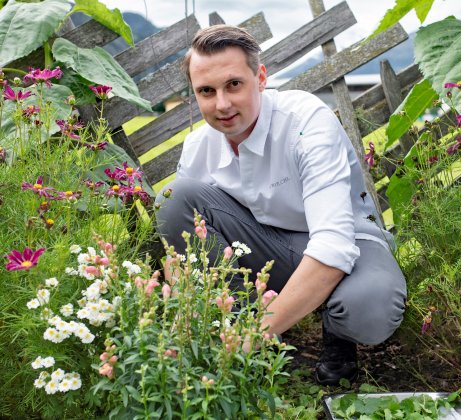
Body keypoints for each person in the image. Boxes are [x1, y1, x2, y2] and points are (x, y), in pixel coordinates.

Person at [155, 24, 407, 386]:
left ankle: (327, 336)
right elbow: (180, 245)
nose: (221, 104)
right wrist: (184, 318)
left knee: (369, 310)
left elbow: (334, 245)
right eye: (206, 91)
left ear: (260, 77)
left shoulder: (306, 123)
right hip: (264, 247)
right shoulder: (199, 146)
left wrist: (253, 335)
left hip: (348, 241)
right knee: (173, 197)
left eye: (233, 85)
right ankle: (236, 328)